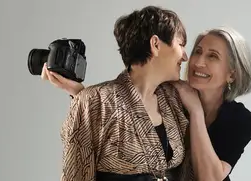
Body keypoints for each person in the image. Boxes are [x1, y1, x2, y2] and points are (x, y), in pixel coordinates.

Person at [45, 26, 251, 181]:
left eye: (213, 56)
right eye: (198, 51)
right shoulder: (169, 93)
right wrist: (80, 94)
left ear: (232, 74)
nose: (197, 62)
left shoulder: (240, 120)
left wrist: (195, 111)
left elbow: (210, 178)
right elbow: (124, 114)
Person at [49, 5, 193, 181]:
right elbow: (75, 176)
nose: (185, 56)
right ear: (155, 44)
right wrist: (83, 100)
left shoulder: (174, 101)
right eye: (181, 44)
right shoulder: (94, 102)